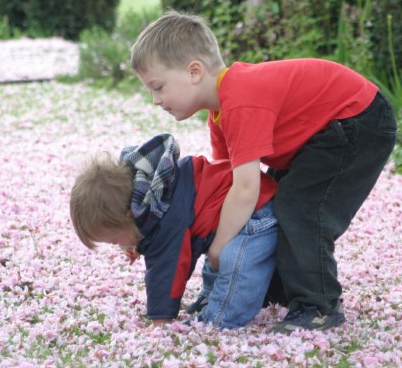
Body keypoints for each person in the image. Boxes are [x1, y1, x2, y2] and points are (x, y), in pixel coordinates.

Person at [130, 11, 397, 334]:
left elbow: (245, 191)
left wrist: (218, 248)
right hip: (322, 134)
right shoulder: (219, 115)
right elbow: (228, 187)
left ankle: (319, 305)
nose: (156, 100)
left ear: (194, 71)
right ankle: (267, 288)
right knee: (274, 205)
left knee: (301, 208)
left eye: (158, 87)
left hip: (357, 120)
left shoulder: (240, 99)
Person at [69, 133, 278, 329]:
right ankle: (210, 297)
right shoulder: (154, 197)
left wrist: (161, 319)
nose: (119, 246)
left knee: (236, 266)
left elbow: (166, 270)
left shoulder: (166, 220)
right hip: (228, 212)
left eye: (115, 240)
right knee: (216, 254)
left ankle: (220, 319)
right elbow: (151, 232)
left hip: (256, 212)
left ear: (129, 217)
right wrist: (137, 243)